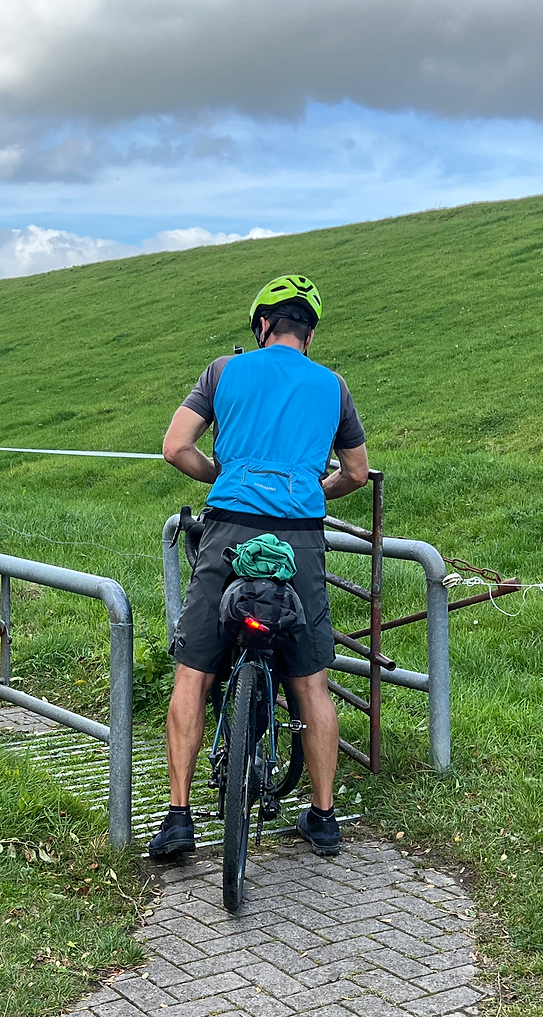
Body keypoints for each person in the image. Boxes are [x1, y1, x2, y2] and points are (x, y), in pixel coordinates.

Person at [149, 274, 369, 860]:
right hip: (299, 538)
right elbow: (354, 471)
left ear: (263, 324)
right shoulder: (333, 386)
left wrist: (222, 477)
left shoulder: (225, 370)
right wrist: (310, 488)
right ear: (310, 332)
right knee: (312, 682)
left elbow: (175, 446)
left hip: (228, 530)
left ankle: (178, 818)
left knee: (194, 670)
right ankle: (323, 819)